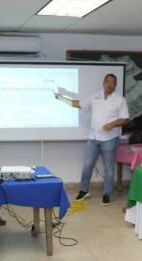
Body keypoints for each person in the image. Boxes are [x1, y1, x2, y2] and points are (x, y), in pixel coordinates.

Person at [56, 74, 130, 206]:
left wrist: (112, 124)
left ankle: (107, 194)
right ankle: (84, 191)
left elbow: (125, 119)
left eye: (113, 82)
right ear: (103, 82)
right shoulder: (95, 97)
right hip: (93, 138)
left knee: (109, 168)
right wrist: (62, 99)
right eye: (107, 81)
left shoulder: (120, 100)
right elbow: (79, 104)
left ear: (116, 85)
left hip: (110, 139)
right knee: (87, 165)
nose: (110, 84)